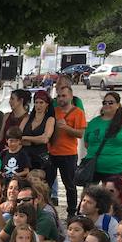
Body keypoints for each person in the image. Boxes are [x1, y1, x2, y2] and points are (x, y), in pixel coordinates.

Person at [48, 85, 86, 217]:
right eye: (59, 96)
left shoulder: (78, 112)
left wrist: (66, 127)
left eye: (64, 95)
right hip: (52, 153)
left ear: (70, 96)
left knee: (70, 185)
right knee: (47, 184)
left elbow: (80, 133)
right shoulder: (53, 110)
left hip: (68, 154)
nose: (61, 98)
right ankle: (47, 210)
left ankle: (71, 213)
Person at [83, 92, 122, 183]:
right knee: (89, 194)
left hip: (114, 168)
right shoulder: (93, 122)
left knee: (111, 195)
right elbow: (86, 143)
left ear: (118, 105)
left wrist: (117, 154)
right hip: (92, 167)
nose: (107, 105)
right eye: (105, 103)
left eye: (111, 102)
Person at [21, 90, 55, 174]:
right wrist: (36, 140)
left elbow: (45, 139)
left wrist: (26, 138)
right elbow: (18, 136)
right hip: (25, 158)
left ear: (47, 104)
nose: (38, 105)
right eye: (36, 102)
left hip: (40, 159)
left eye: (41, 103)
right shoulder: (27, 118)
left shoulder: (50, 119)